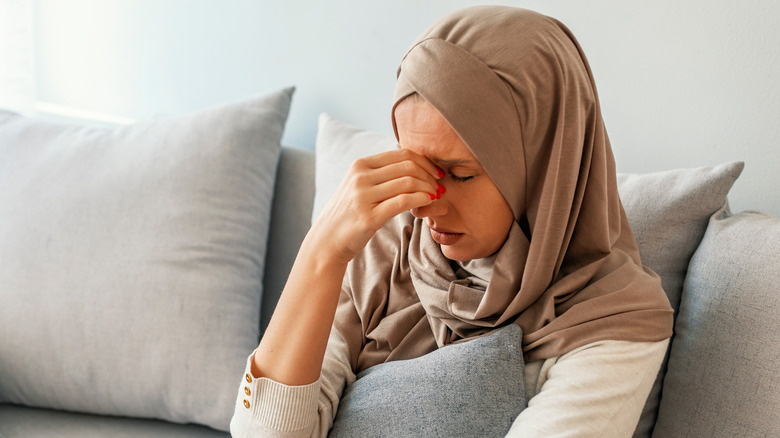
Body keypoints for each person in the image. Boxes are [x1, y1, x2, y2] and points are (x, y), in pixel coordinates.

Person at [230, 5, 674, 437]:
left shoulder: (610, 319)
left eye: (460, 174)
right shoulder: (385, 247)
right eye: (415, 167)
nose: (425, 206)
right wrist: (321, 253)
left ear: (542, 168)